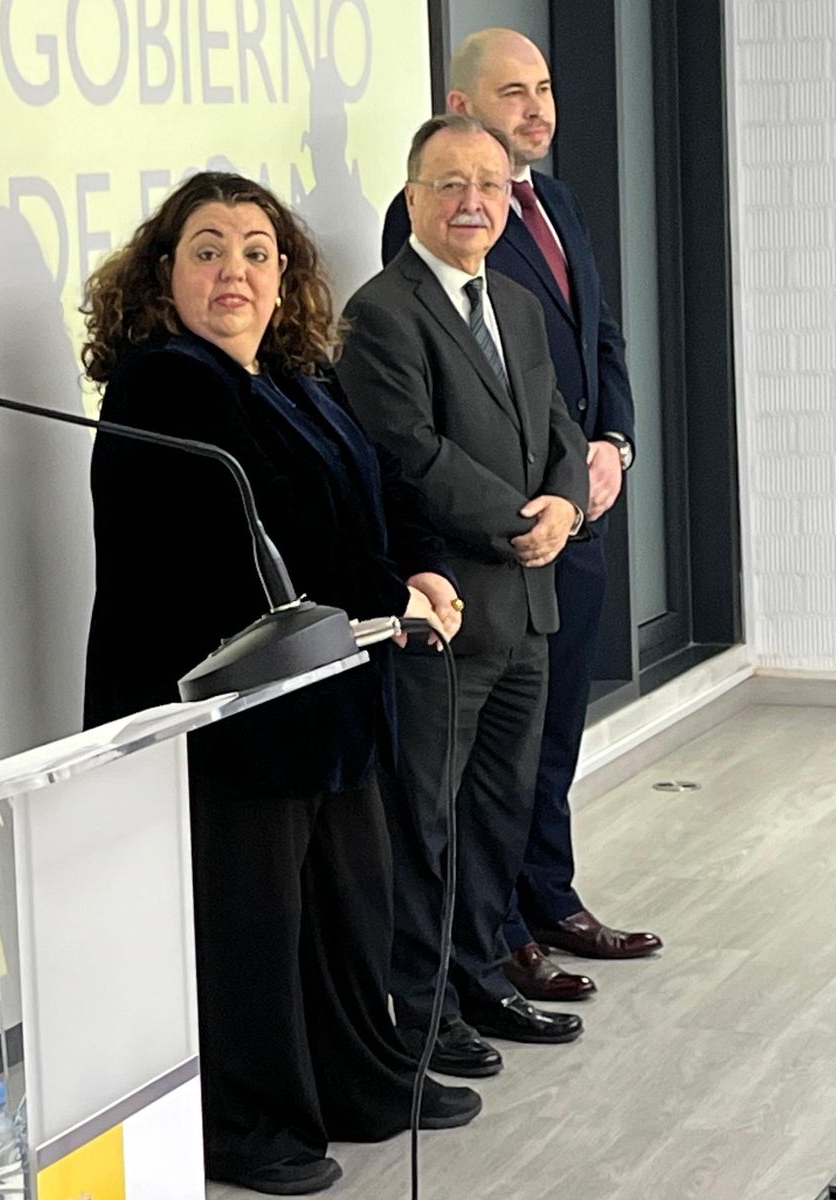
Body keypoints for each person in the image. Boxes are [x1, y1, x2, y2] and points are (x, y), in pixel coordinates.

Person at [82, 170, 478, 1197]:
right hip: (226, 710)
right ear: (163, 274)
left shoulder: (297, 374)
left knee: (346, 907)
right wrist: (391, 593)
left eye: (257, 252)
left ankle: (358, 1081)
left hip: (325, 691)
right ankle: (245, 1123)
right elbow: (264, 535)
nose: (235, 272)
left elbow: (379, 484)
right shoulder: (165, 383)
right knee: (251, 926)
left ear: (285, 273)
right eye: (208, 250)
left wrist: (423, 566)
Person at [381, 30, 661, 1003]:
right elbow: (430, 424)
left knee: (544, 744)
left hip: (567, 521)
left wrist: (606, 451)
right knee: (480, 775)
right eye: (514, 91)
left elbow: (594, 342)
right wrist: (529, 510)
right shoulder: (429, 232)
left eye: (543, 87)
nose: (538, 106)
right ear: (460, 106)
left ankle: (541, 902)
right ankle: (493, 943)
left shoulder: (556, 204)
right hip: (485, 553)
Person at [336, 115, 590, 1078]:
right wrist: (521, 521)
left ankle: (484, 978)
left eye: (488, 184)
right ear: (412, 198)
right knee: (426, 823)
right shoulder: (380, 313)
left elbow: (558, 425)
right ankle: (424, 1009)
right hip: (445, 614)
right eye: (449, 184)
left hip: (528, 609)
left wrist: (565, 503)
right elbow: (410, 453)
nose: (472, 202)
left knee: (498, 814)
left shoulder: (515, 303)